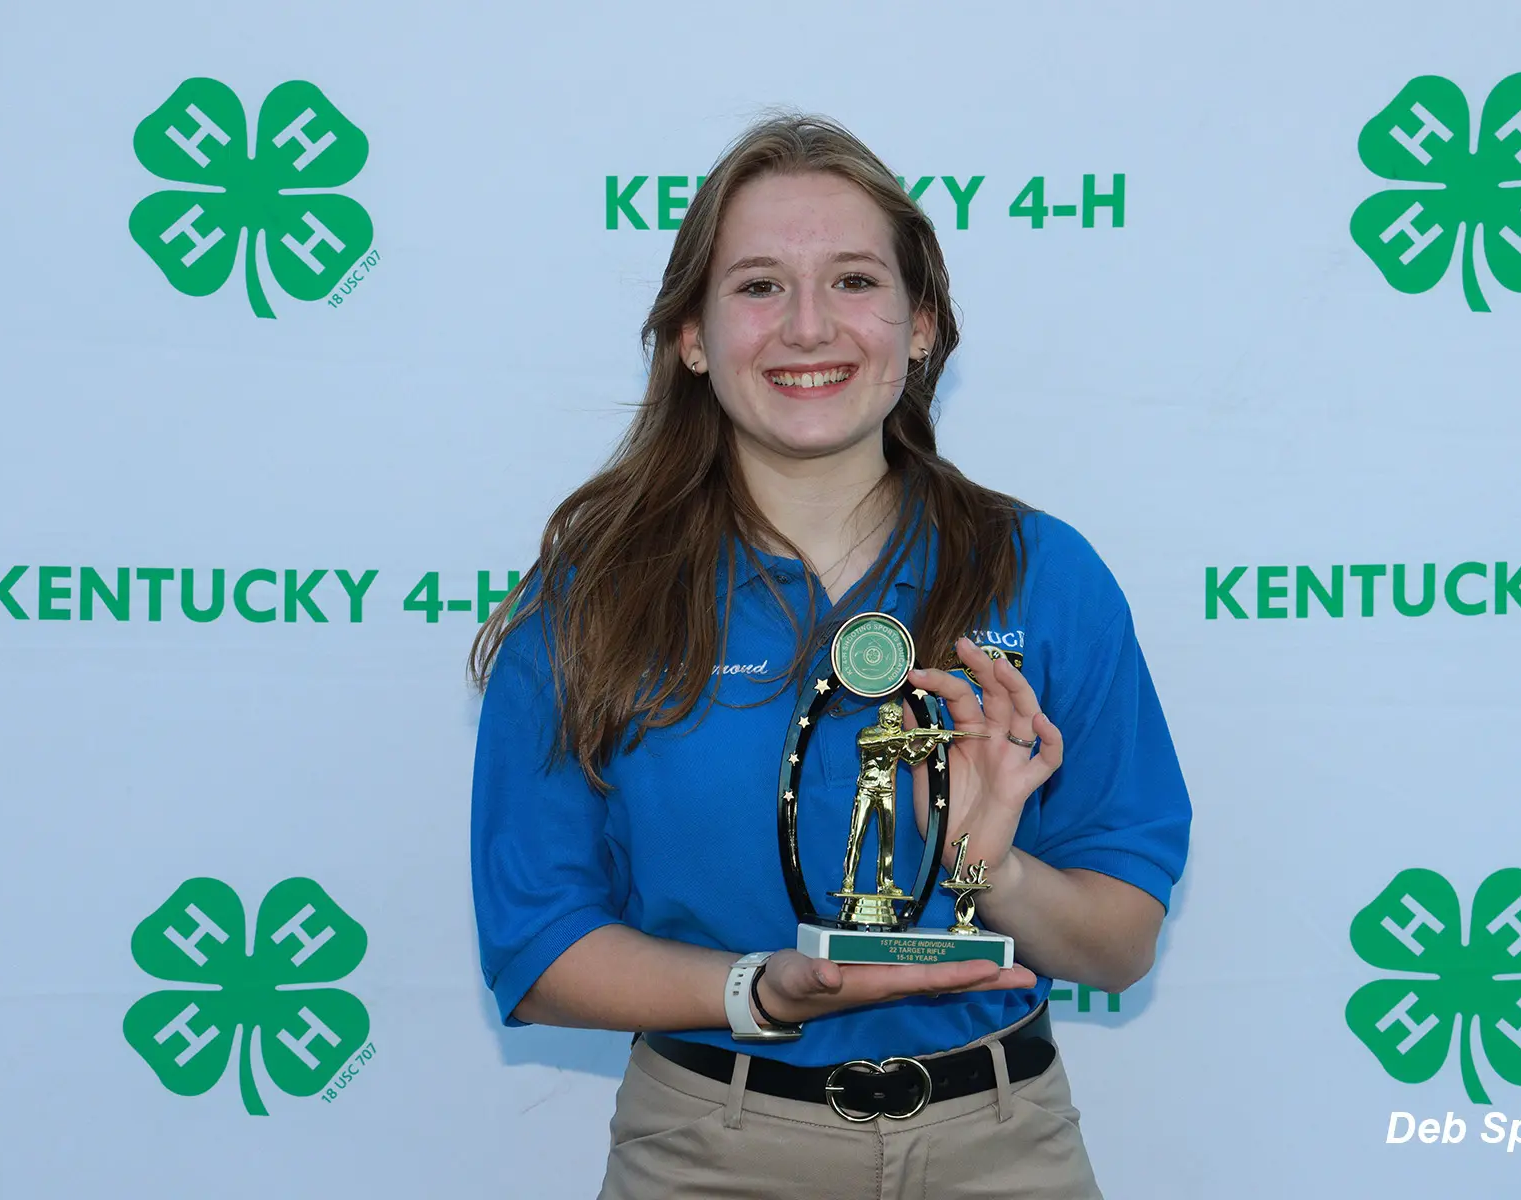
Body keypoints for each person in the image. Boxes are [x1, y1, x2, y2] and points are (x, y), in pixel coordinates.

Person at [469, 113, 1191, 1200]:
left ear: (921, 326)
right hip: (709, 1154)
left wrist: (987, 868)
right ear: (692, 336)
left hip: (1004, 1150)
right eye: (759, 286)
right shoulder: (593, 599)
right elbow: (539, 946)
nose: (809, 327)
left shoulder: (1044, 572)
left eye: (854, 281)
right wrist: (757, 990)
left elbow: (1120, 947)